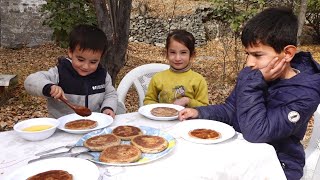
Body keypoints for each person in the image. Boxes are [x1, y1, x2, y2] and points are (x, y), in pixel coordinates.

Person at [179, 7, 320, 180]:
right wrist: (200, 112)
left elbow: (258, 132)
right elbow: (232, 109)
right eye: (247, 54)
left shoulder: (305, 94)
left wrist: (252, 84)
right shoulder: (256, 76)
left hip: (279, 166)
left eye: (257, 55)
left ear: (287, 53)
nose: (249, 63)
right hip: (242, 156)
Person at [24, 24, 118, 119]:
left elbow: (110, 94)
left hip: (94, 125)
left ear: (100, 58)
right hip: (61, 127)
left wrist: (108, 108)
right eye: (80, 60)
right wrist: (49, 87)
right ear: (70, 52)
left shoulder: (102, 75)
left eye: (93, 62)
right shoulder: (60, 73)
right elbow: (30, 81)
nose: (86, 66)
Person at [144, 29, 209, 107]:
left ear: (192, 55)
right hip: (163, 118)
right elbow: (148, 100)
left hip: (190, 119)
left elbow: (205, 108)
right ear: (166, 54)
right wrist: (160, 108)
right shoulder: (158, 78)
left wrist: (188, 101)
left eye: (183, 53)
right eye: (173, 52)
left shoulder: (198, 80)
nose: (177, 58)